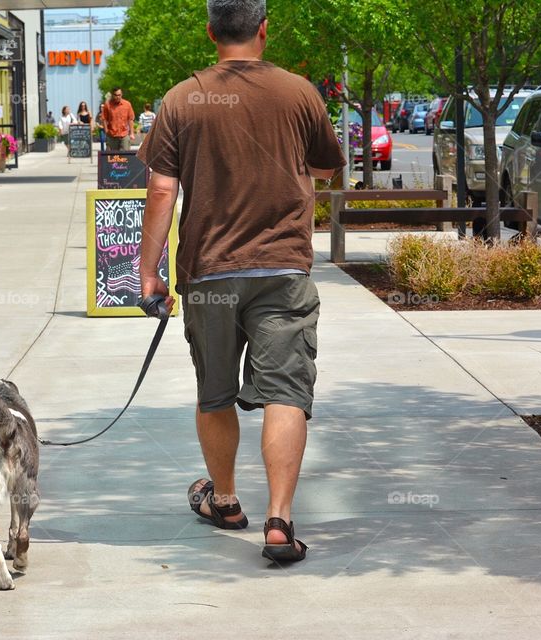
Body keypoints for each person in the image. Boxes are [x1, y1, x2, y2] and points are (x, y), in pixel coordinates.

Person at [137, 0, 345, 563]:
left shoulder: (180, 100)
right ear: (263, 29)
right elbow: (328, 166)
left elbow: (161, 191)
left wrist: (149, 270)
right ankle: (279, 521)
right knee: (286, 393)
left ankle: (225, 501)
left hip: (209, 273)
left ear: (210, 32)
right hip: (281, 269)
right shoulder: (299, 93)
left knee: (215, 392)